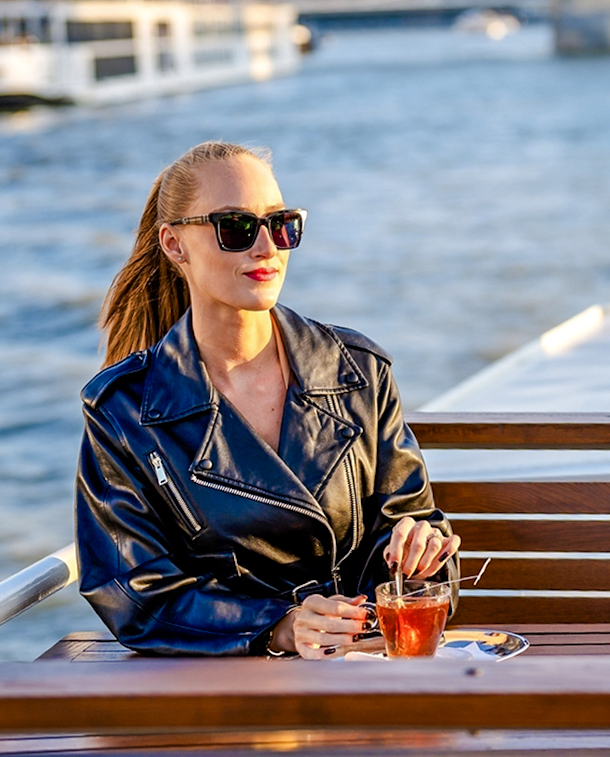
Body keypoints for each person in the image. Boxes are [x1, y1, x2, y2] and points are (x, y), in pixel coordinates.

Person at [75, 141, 458, 658]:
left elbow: (413, 525)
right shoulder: (124, 412)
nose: (266, 248)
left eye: (281, 225)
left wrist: (421, 552)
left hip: (365, 671)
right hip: (225, 693)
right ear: (173, 244)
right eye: (236, 227)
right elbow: (134, 593)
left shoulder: (357, 372)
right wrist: (278, 627)